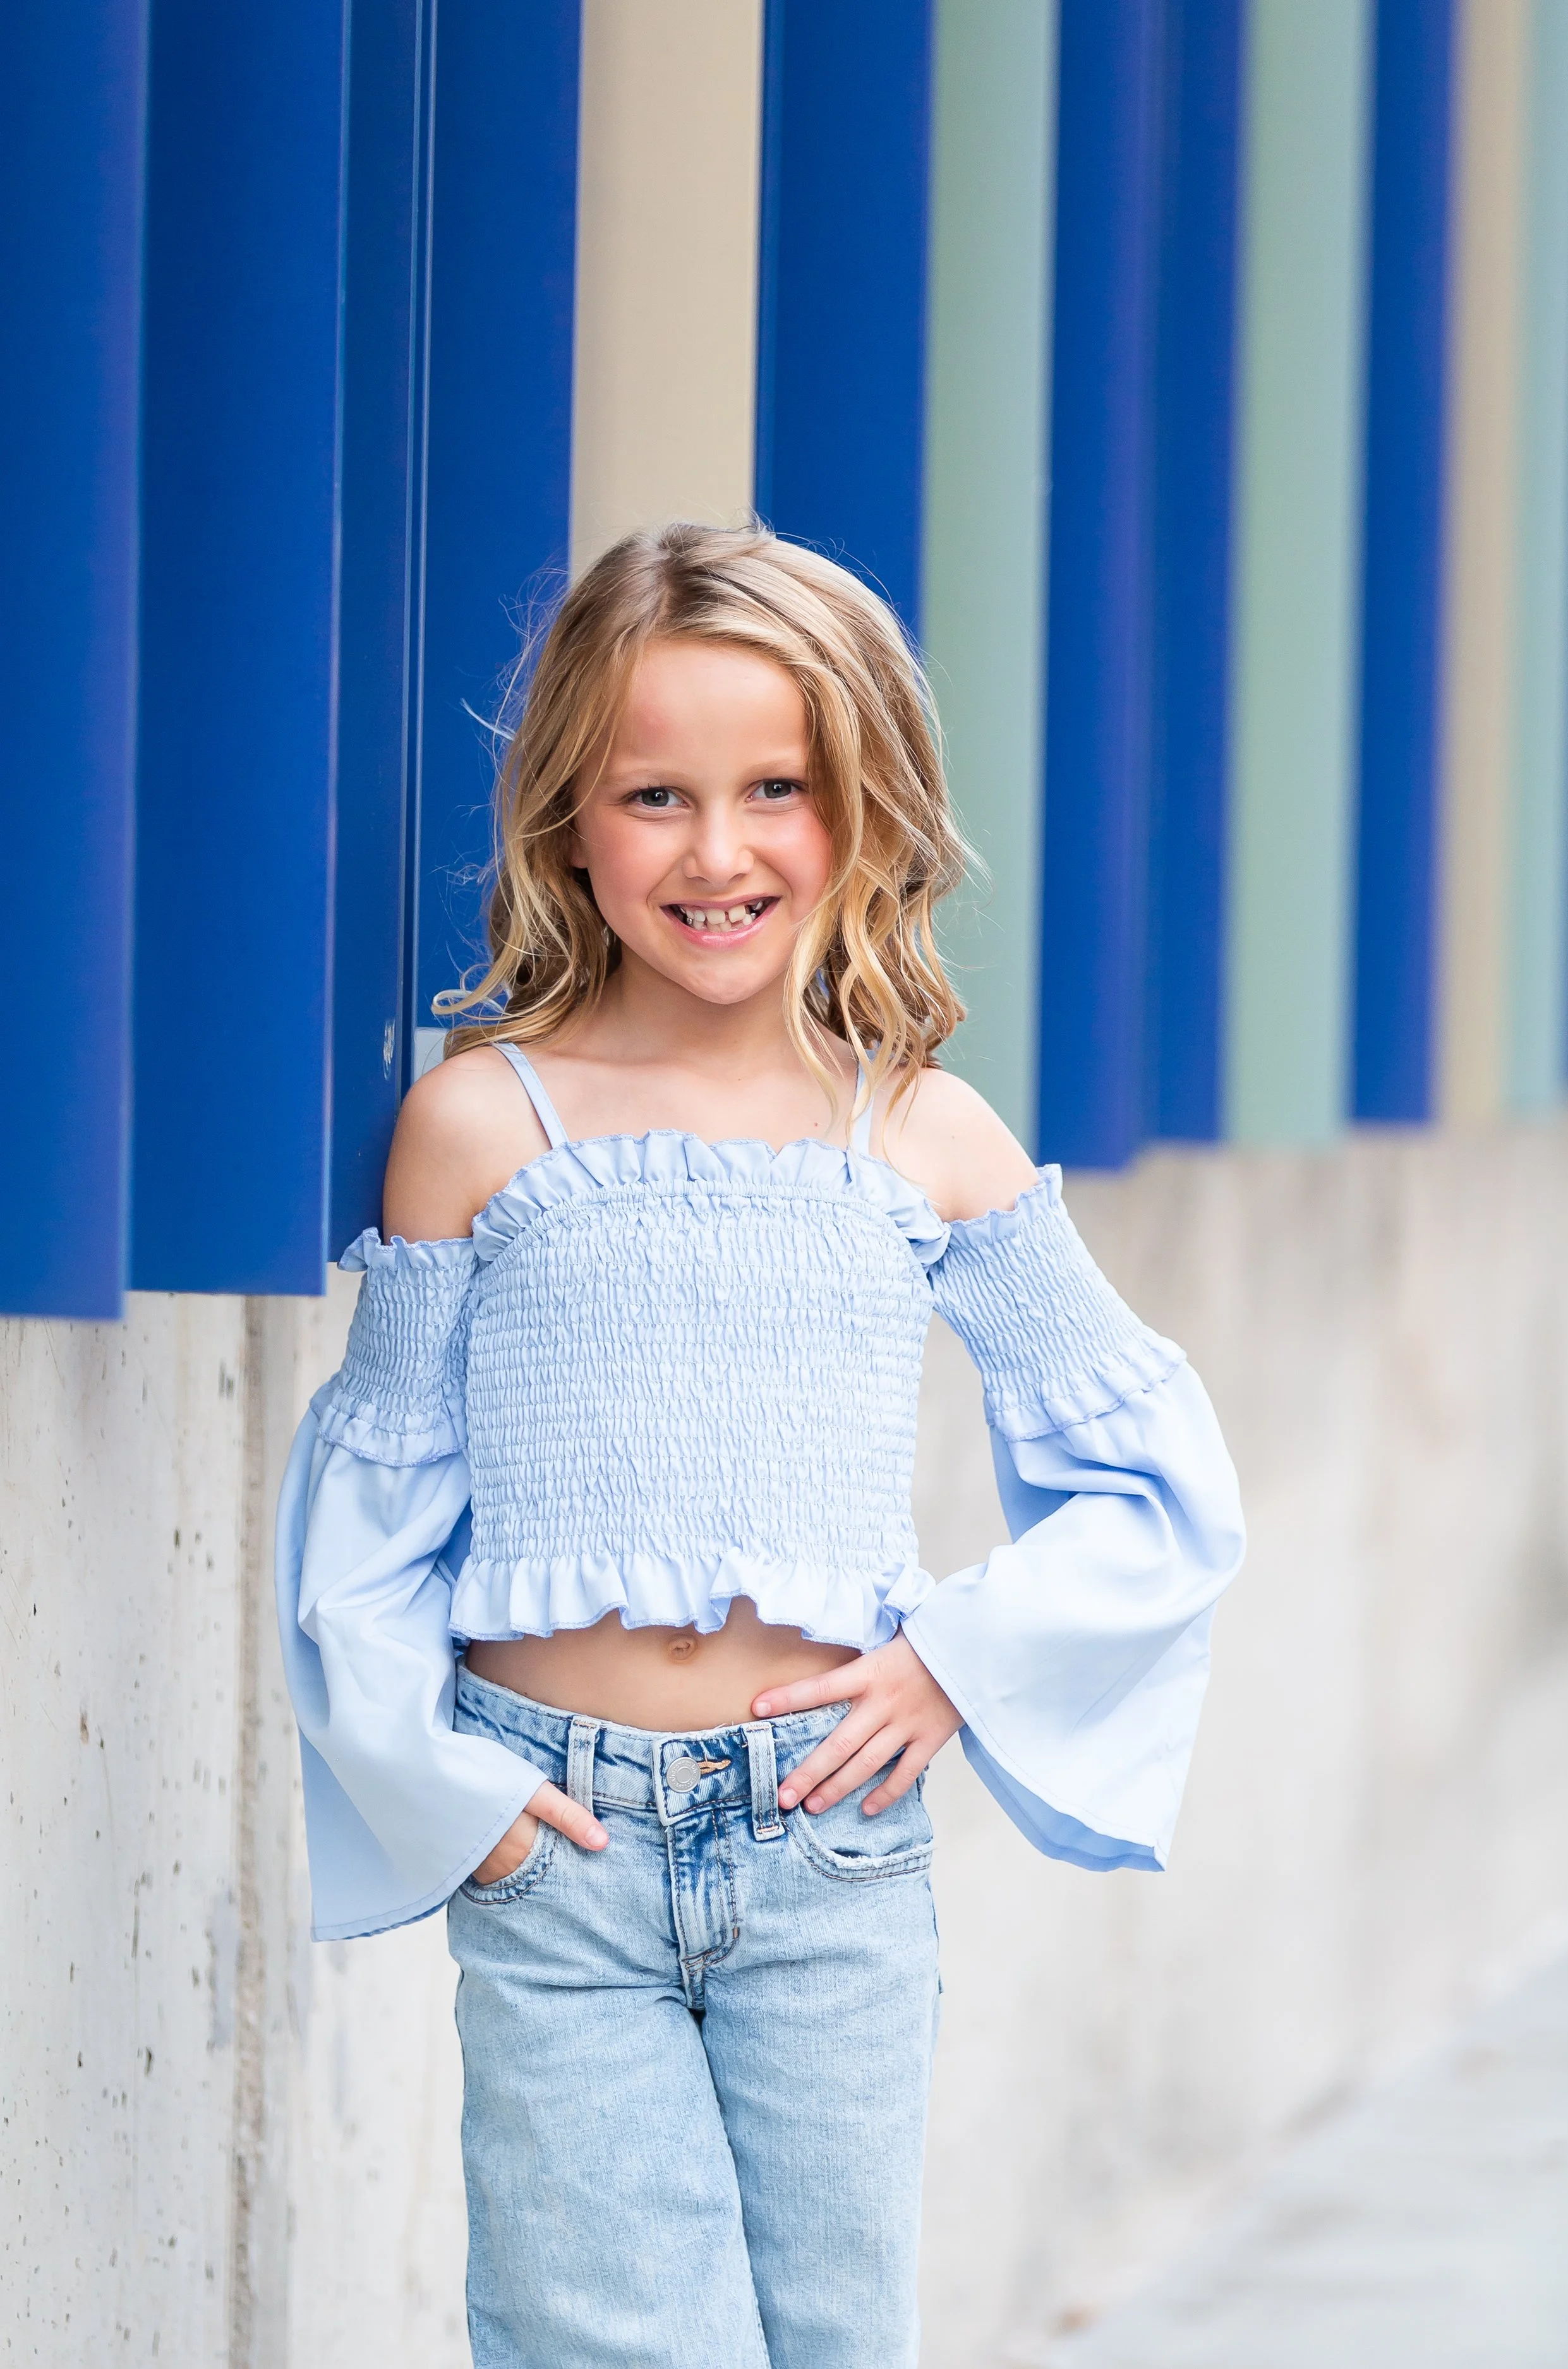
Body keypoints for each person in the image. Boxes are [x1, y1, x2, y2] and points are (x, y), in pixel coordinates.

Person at [275, 522, 1245, 2369]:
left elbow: (1155, 1478)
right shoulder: (483, 1127)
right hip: (553, 1849)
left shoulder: (925, 1133)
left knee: (828, 2335)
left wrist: (959, 1661)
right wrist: (458, 1807)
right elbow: (373, 1504)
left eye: (774, 790)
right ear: (572, 819)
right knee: (611, 2335)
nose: (717, 853)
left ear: (857, 811)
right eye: (656, 793)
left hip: (830, 1847)